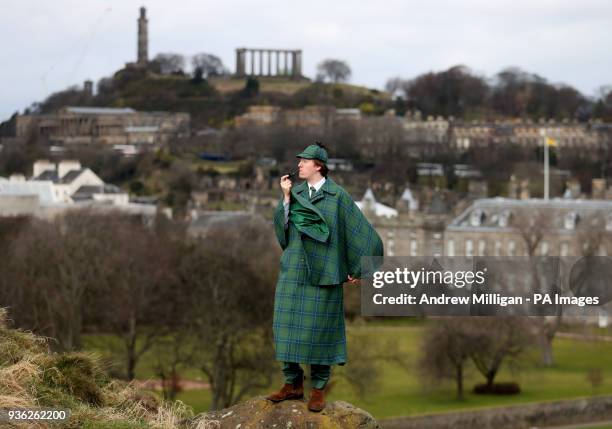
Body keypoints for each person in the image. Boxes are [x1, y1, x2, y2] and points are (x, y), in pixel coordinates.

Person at [266, 142, 383, 412]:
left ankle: (318, 389)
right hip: (294, 270)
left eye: (304, 161)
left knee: (321, 333)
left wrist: (359, 269)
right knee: (285, 326)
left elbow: (359, 233)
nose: (299, 165)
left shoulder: (337, 196)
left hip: (326, 274)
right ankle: (292, 384)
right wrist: (285, 199)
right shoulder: (293, 194)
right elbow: (282, 233)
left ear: (318, 165)